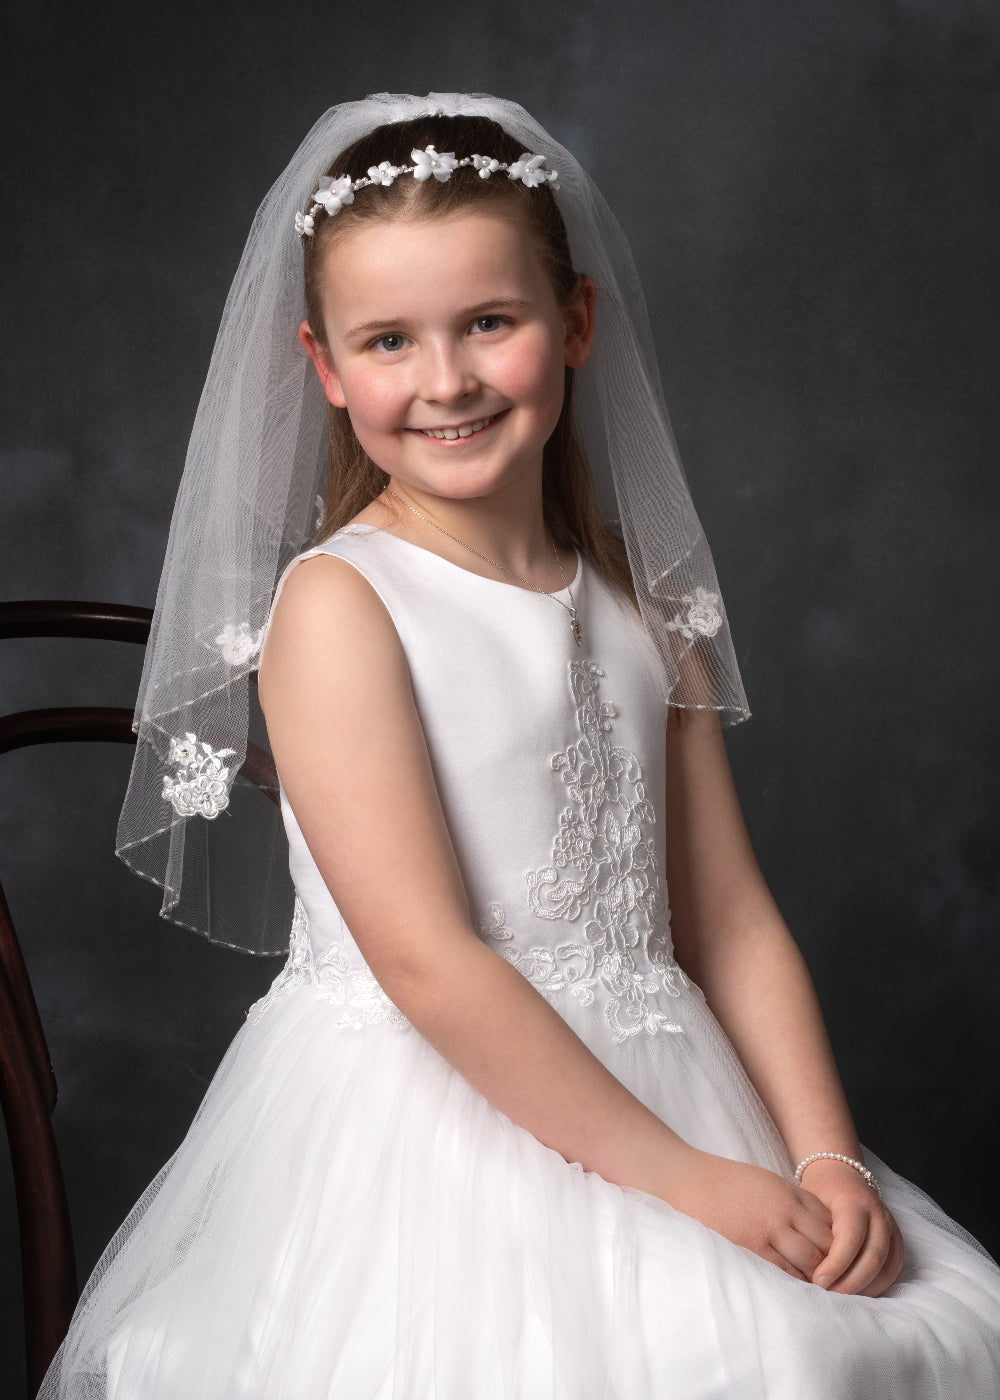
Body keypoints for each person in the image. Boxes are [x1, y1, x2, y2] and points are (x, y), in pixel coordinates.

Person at [41, 93, 1000, 1399]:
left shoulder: (642, 606)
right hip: (436, 1123)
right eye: (391, 341)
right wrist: (684, 1178)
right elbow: (431, 965)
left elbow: (729, 918)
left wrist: (822, 1157)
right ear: (326, 368)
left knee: (878, 1334)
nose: (446, 380)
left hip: (674, 1079)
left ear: (576, 324)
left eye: (489, 322)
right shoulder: (342, 606)